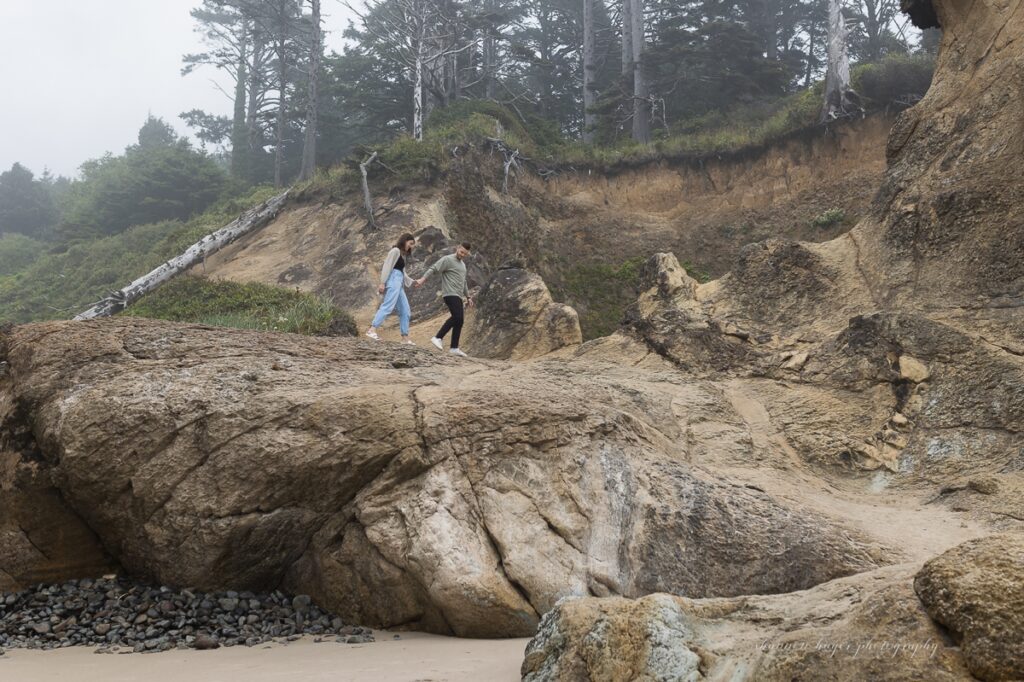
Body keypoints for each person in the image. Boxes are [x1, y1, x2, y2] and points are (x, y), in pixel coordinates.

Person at [415, 242, 474, 357]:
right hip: (449, 293)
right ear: (457, 248)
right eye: (461, 252)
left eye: (465, 254)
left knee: (459, 320)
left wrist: (468, 297)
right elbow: (433, 268)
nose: (462, 255)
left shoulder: (463, 265)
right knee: (457, 317)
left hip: (458, 295)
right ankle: (438, 337)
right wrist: (422, 279)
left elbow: (464, 282)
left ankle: (454, 348)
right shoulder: (447, 259)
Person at [366, 233, 416, 344]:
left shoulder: (402, 255)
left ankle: (405, 338)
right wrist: (382, 283)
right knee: (388, 306)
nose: (411, 246)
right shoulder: (395, 251)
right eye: (410, 243)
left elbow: (402, 273)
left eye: (413, 244)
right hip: (393, 281)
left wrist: (413, 282)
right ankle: (372, 329)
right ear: (405, 241)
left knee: (405, 310)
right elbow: (387, 266)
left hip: (399, 283)